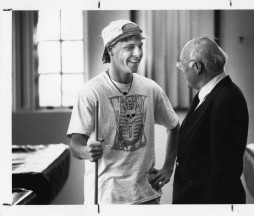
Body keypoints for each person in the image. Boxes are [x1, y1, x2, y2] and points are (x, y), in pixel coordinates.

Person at [67, 20, 180, 204]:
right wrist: (87, 151)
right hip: (106, 199)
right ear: (110, 50)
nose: (137, 53)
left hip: (146, 197)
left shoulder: (150, 88)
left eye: (140, 46)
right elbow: (75, 145)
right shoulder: (92, 91)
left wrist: (168, 168)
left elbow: (174, 126)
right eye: (129, 47)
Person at [172, 37, 249, 204]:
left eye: (182, 66)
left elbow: (223, 169)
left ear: (197, 67)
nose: (181, 70)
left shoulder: (227, 98)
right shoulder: (208, 94)